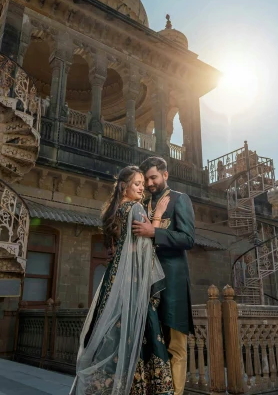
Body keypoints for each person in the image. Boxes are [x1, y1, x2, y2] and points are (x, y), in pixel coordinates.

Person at [72, 165, 175, 395]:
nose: (142, 188)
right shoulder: (136, 208)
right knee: (139, 332)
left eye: (143, 183)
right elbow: (144, 247)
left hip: (115, 279)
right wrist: (157, 216)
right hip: (132, 280)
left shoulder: (115, 210)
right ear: (124, 186)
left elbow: (120, 248)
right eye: (137, 184)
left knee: (114, 333)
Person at [132, 157, 195, 395]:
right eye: (146, 178)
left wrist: (154, 232)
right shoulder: (143, 204)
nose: (149, 183)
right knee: (151, 341)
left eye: (153, 177)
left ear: (165, 175)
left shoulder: (180, 199)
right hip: (147, 283)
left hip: (173, 283)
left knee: (175, 345)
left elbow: (188, 239)